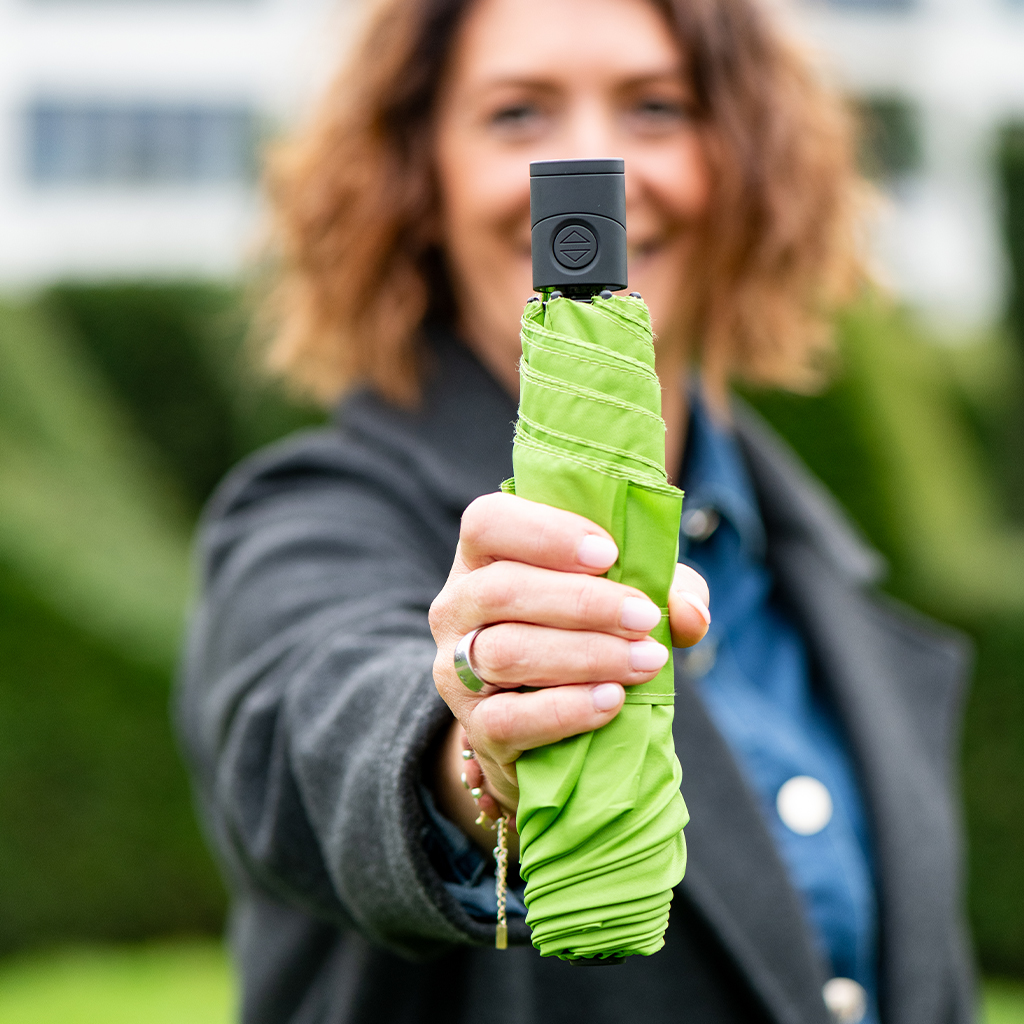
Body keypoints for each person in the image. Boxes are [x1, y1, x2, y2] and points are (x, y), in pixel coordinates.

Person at [177, 0, 976, 1021]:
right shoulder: (311, 519)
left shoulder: (815, 568)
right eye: (516, 114)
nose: (594, 165)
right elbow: (313, 729)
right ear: (417, 181)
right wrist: (480, 745)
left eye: (655, 107)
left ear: (747, 163)